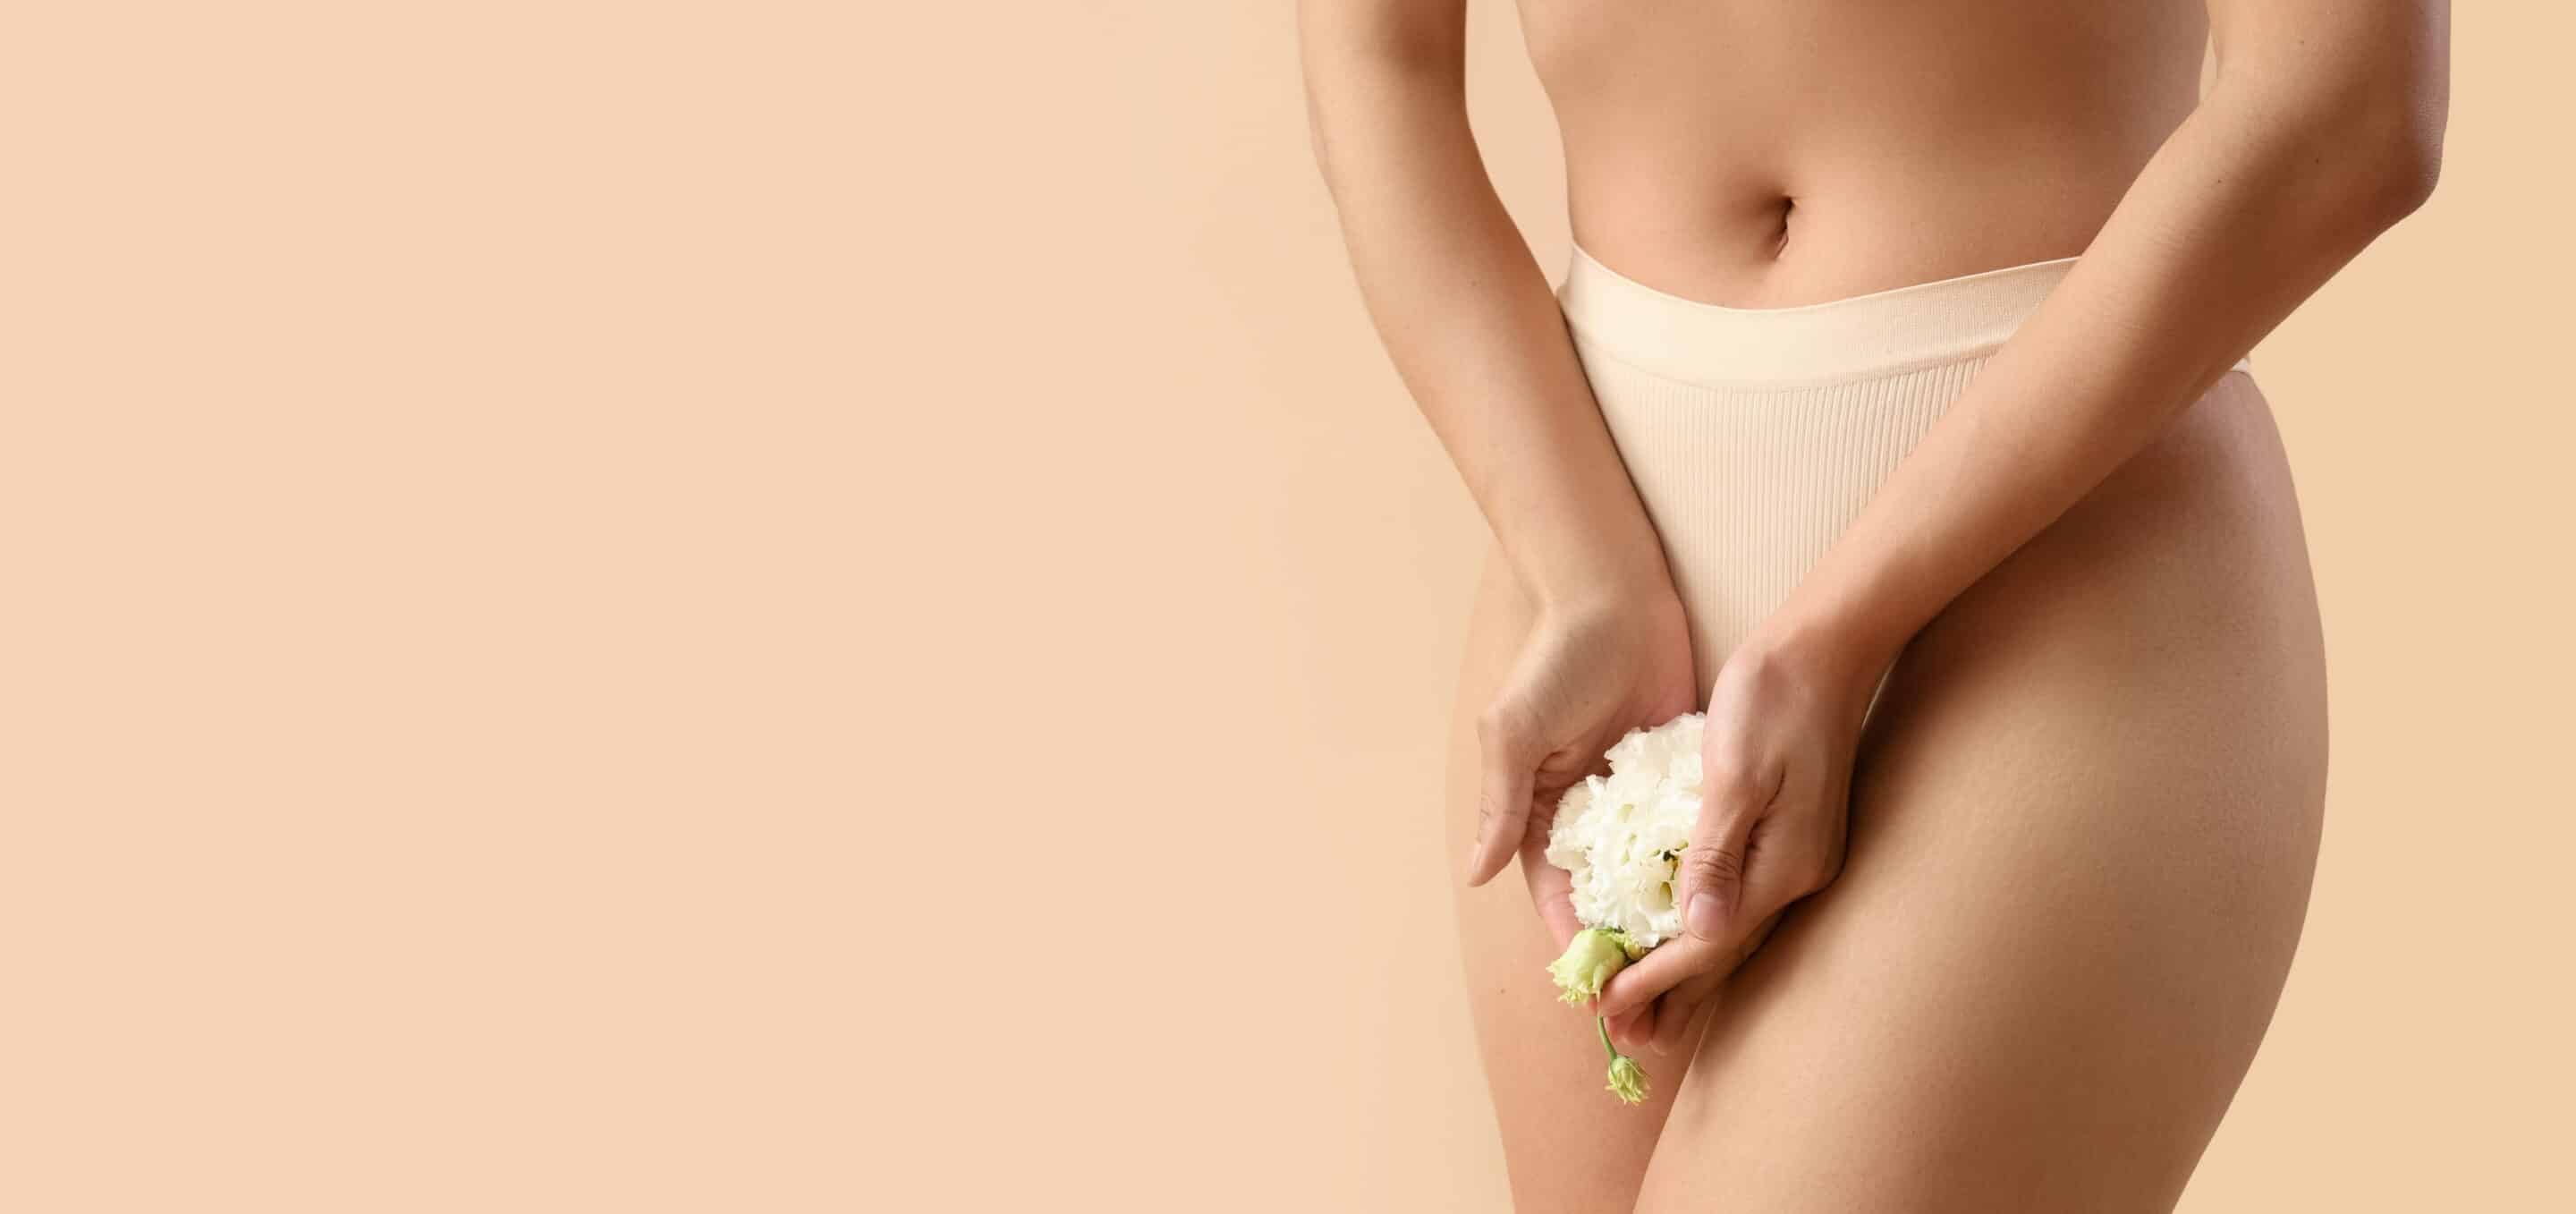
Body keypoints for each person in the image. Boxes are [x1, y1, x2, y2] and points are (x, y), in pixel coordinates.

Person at [1298, 1, 2446, 1209]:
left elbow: (2352, 109)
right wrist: (1584, 567)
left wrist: (1836, 633)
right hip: (1591, 546)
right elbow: (1379, 68)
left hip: (2054, 567)